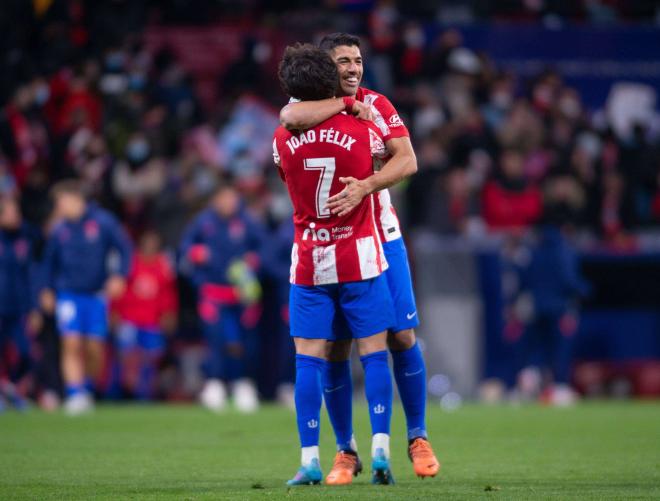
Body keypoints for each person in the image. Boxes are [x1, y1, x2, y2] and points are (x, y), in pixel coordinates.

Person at [279, 33, 439, 481]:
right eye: (343, 61)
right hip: (334, 245)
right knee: (335, 348)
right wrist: (345, 108)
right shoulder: (311, 109)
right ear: (327, 70)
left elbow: (407, 161)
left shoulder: (379, 104)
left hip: (380, 236)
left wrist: (366, 186)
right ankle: (347, 451)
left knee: (402, 337)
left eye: (358, 60)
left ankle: (418, 436)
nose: (353, 69)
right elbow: (288, 113)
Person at [40, 180, 132, 415]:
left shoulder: (103, 221)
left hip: (96, 295)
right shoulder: (59, 230)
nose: (59, 208)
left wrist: (120, 276)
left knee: (94, 348)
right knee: (70, 343)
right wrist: (46, 289)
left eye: (61, 202)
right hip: (68, 295)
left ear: (74, 199)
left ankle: (87, 389)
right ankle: (74, 392)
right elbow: (48, 262)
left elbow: (125, 248)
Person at [179, 184, 263, 413]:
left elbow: (264, 248)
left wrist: (252, 261)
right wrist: (197, 253)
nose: (228, 203)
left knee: (241, 342)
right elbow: (186, 247)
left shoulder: (247, 221)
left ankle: (242, 384)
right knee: (215, 341)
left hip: (241, 294)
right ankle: (214, 384)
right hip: (212, 293)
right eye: (224, 198)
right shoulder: (203, 222)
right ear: (215, 200)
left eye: (232, 198)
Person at [112, 229, 178, 400]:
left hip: (152, 321)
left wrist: (169, 313)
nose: (151, 246)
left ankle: (145, 394)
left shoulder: (163, 266)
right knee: (127, 357)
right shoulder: (130, 263)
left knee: (151, 358)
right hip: (130, 319)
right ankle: (119, 393)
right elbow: (119, 290)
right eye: (147, 243)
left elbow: (167, 293)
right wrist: (115, 311)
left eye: (154, 244)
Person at [0, 197, 39, 411]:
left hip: (19, 307)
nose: (16, 217)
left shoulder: (25, 237)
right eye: (10, 212)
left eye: (17, 212)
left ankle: (12, 388)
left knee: (26, 352)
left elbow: (31, 274)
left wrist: (34, 308)